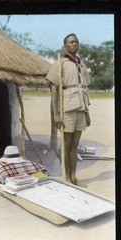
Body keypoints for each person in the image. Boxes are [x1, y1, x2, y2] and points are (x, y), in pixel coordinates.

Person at [46, 33, 91, 187]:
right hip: (67, 109)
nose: (74, 44)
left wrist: (88, 113)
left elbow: (84, 90)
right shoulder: (60, 64)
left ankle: (73, 176)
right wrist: (56, 114)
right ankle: (65, 177)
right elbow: (54, 90)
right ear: (65, 46)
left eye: (76, 42)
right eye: (71, 42)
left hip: (81, 109)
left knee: (75, 145)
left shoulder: (81, 65)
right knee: (66, 144)